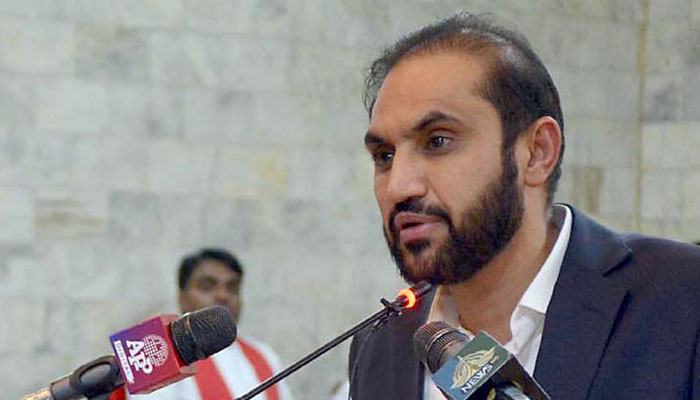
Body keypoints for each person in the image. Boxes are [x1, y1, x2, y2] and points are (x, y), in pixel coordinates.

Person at [349, 12, 700, 400]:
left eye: (438, 141)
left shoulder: (683, 299)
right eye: (384, 156)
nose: (399, 186)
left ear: (536, 153)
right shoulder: (380, 345)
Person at [117, 248, 294, 400]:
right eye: (207, 287)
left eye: (232, 288)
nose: (223, 296)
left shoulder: (265, 355)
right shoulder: (156, 349)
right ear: (182, 297)